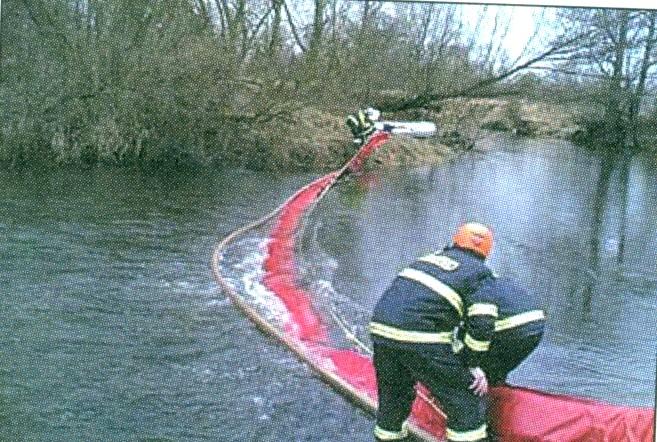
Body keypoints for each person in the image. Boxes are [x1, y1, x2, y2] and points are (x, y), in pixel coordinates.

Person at [368, 222, 498, 442]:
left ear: (455, 242)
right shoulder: (480, 274)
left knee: (393, 398)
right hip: (421, 336)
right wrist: (472, 364)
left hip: (381, 328)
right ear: (486, 252)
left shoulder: (426, 261)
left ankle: (388, 436)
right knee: (464, 399)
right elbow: (482, 324)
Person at [473, 277, 546, 385]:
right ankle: (496, 385)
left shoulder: (467, 285)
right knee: (495, 370)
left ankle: (476, 391)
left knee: (471, 363)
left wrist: (472, 363)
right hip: (537, 324)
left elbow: (479, 327)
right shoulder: (482, 276)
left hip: (512, 327)